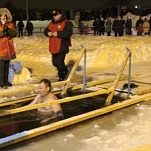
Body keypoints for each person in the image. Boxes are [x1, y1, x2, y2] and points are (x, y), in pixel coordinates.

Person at [44, 9, 73, 81]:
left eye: (56, 15)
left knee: (59, 62)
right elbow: (46, 30)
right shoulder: (51, 23)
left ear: (60, 14)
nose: (54, 17)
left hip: (62, 46)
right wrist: (48, 33)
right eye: (53, 16)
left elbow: (68, 33)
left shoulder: (66, 23)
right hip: (53, 46)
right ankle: (65, 70)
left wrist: (58, 34)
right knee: (55, 63)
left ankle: (62, 76)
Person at [0, 8, 17, 89]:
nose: (3, 17)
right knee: (1, 68)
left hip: (8, 49)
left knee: (7, 67)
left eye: (4, 16)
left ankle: (5, 81)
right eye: (1, 15)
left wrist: (8, 30)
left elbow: (14, 33)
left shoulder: (10, 25)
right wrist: (3, 33)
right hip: (0, 50)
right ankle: (1, 83)